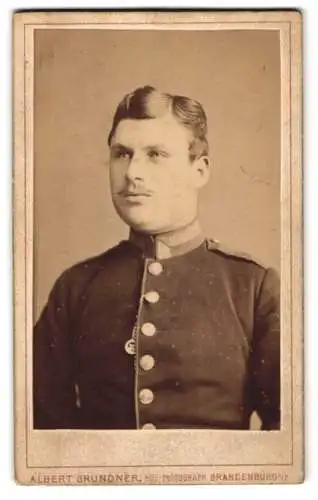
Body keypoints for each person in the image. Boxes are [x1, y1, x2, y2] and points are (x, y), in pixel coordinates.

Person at [33, 85, 280, 431]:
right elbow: (40, 429)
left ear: (200, 171)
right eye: (122, 154)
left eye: (155, 154)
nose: (133, 172)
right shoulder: (76, 287)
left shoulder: (252, 287)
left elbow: (290, 437)